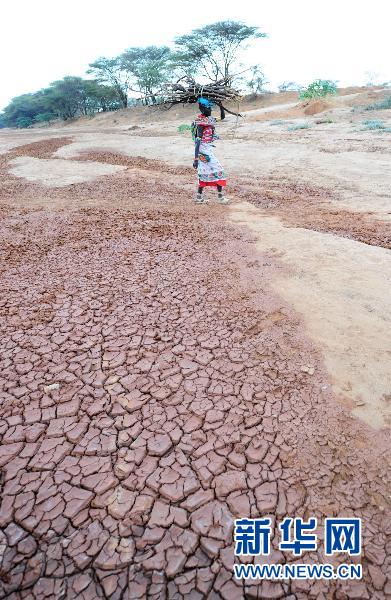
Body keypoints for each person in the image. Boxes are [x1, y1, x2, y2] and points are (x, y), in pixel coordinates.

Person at [192, 97, 228, 204]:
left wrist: (221, 106)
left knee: (205, 172)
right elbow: (198, 141)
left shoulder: (210, 119)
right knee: (217, 169)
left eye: (211, 108)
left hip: (208, 149)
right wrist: (196, 158)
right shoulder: (200, 123)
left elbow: (222, 117)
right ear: (203, 109)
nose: (211, 110)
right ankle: (220, 198)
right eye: (209, 108)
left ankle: (199, 197)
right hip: (203, 151)